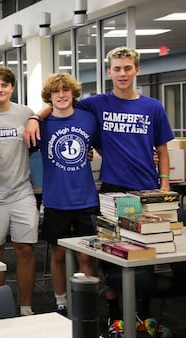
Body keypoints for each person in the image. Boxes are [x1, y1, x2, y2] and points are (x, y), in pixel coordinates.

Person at [24, 46, 174, 337]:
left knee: (145, 255)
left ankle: (142, 315)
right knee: (112, 256)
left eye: (127, 68)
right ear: (109, 72)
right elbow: (57, 103)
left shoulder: (152, 107)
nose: (122, 73)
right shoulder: (97, 104)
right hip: (110, 192)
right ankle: (114, 316)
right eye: (117, 68)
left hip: (147, 191)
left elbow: (162, 149)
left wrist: (164, 185)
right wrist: (34, 117)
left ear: (136, 70)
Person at [36, 73, 99, 316]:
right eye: (55, 92)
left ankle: (89, 301)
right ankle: (61, 301)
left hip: (86, 199)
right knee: (58, 254)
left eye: (65, 90)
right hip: (55, 200)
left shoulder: (89, 119)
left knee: (86, 255)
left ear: (73, 93)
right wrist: (35, 117)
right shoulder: (41, 124)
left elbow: (103, 145)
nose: (61, 95)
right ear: (49, 97)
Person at [0, 65, 39, 316]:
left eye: (4, 85)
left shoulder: (25, 113)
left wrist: (35, 118)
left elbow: (44, 115)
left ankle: (26, 307)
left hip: (21, 192)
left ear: (12, 87)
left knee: (25, 249)